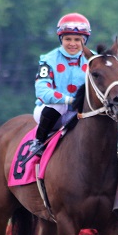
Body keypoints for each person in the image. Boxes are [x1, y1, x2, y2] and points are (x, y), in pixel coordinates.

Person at [28, 13, 91, 156]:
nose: (72, 43)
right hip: (51, 112)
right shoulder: (48, 60)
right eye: (68, 39)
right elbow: (42, 91)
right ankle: (38, 141)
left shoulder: (93, 60)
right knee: (59, 104)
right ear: (61, 39)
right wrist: (68, 100)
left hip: (80, 113)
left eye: (77, 39)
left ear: (85, 40)